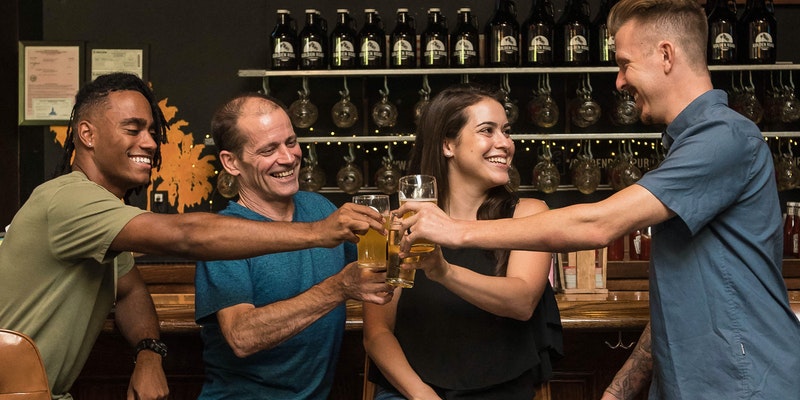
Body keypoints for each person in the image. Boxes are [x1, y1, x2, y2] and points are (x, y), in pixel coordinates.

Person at [394, 0, 800, 399]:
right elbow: (682, 295)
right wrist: (620, 389)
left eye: (624, 63)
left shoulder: (724, 138)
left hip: (742, 383)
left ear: (665, 55)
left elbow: (596, 225)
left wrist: (454, 230)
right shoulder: (690, 146)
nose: (619, 81)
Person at [0, 73, 385, 400]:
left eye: (152, 131)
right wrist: (320, 236)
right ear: (86, 134)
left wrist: (149, 353)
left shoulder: (103, 219)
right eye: (133, 129)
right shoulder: (68, 199)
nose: (150, 142)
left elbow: (131, 290)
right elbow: (187, 235)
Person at [363, 84, 563, 400]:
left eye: (507, 132)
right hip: (411, 392)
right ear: (447, 145)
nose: (505, 143)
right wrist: (422, 395)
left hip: (499, 390)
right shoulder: (396, 220)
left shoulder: (529, 214)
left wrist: (444, 271)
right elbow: (377, 333)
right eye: (488, 131)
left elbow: (521, 302)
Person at [193, 92, 394, 399]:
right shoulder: (224, 235)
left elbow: (379, 273)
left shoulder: (321, 209)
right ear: (231, 162)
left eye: (290, 141)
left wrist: (401, 238)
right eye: (268, 149)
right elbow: (241, 336)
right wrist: (338, 288)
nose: (287, 158)